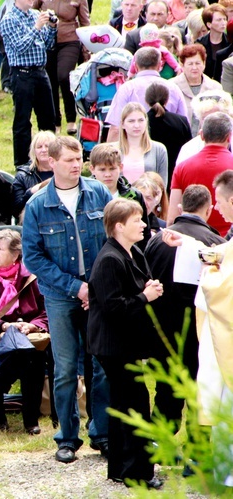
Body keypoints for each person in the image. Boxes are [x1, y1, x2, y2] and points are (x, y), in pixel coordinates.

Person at [22, 136, 111, 464]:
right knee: (64, 369)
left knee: (101, 365)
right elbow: (33, 257)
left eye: (79, 159)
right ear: (52, 162)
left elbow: (111, 241)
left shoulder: (98, 192)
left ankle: (101, 433)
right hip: (60, 296)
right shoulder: (36, 205)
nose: (77, 164)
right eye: (70, 160)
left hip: (98, 294)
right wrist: (76, 287)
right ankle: (67, 438)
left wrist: (96, 287)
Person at [86, 198, 164, 489]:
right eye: (137, 220)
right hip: (114, 345)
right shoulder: (109, 259)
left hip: (124, 343)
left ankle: (121, 468)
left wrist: (150, 289)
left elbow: (139, 285)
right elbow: (113, 308)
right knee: (134, 405)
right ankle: (136, 473)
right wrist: (146, 296)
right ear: (119, 226)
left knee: (124, 403)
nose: (144, 224)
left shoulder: (131, 252)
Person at [145, 184, 224, 457]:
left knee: (166, 388)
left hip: (162, 328)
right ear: (209, 208)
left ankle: (158, 446)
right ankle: (197, 452)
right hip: (198, 330)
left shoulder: (157, 239)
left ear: (181, 207)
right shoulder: (215, 242)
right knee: (199, 390)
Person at [0, 229, 48, 434]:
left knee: (33, 361)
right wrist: (3, 326)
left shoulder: (32, 278)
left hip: (27, 338)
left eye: (0, 249)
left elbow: (47, 311)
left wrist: (31, 325)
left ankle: (31, 421)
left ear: (15, 255)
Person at [0, 0, 57, 167]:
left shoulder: (34, 15)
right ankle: (22, 164)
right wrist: (37, 27)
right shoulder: (9, 19)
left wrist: (52, 28)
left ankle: (51, 158)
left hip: (40, 71)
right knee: (22, 121)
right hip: (22, 73)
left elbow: (48, 44)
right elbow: (20, 47)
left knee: (48, 118)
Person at [168, 111, 233, 236]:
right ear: (229, 137)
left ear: (202, 135)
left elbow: (172, 218)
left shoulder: (182, 168)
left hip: (192, 239)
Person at [105, 47, 188, 142]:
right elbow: (184, 123)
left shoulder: (126, 89)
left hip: (135, 148)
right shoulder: (174, 88)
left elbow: (115, 129)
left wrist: (110, 153)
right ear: (159, 65)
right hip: (170, 148)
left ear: (135, 66)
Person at [35, 0, 89, 135]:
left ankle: (71, 118)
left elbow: (85, 22)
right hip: (48, 40)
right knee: (50, 81)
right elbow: (32, 10)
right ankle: (55, 121)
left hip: (70, 40)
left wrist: (86, 49)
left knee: (64, 76)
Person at [88, 143, 152, 250]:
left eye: (112, 169)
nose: (107, 174)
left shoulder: (134, 195)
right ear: (92, 169)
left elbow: (144, 234)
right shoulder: (86, 195)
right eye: (102, 170)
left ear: (121, 167)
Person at [171, 43, 222, 135]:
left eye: (198, 63)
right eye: (190, 64)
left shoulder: (215, 87)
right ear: (182, 65)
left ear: (204, 64)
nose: (194, 67)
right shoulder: (172, 86)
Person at [145, 82, 193, 176]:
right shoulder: (181, 121)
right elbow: (189, 149)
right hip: (175, 174)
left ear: (146, 101)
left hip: (148, 176)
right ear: (166, 100)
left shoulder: (141, 123)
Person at [117, 102, 169, 185]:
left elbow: (162, 183)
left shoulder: (159, 149)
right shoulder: (114, 150)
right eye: (131, 121)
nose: (136, 125)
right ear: (122, 124)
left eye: (141, 120)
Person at [12, 131, 56, 221]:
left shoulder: (64, 171)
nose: (43, 150)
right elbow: (16, 210)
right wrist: (31, 192)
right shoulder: (22, 175)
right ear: (34, 151)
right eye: (39, 147)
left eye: (47, 146)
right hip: (33, 220)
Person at [196, 4, 229, 78]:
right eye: (219, 20)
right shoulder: (199, 43)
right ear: (209, 24)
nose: (223, 23)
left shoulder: (230, 42)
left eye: (224, 19)